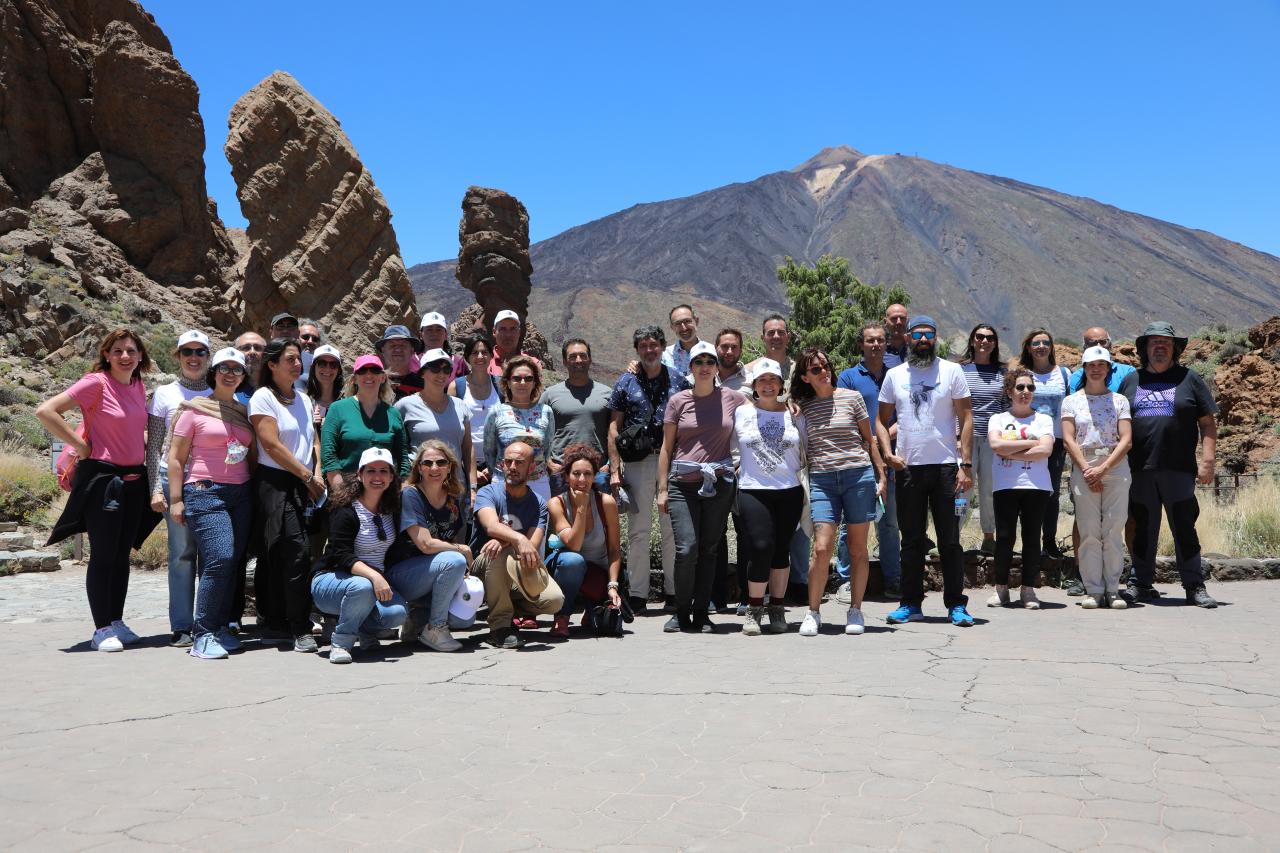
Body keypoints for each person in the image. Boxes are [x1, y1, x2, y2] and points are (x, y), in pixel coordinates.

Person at [40, 328, 161, 652]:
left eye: (131, 351)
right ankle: (101, 628)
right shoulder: (96, 383)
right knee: (104, 555)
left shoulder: (137, 385)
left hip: (134, 481)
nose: (125, 356)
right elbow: (47, 411)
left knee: (121, 556)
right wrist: (80, 445)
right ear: (106, 355)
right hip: (104, 481)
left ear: (140, 357)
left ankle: (117, 621)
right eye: (118, 350)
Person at [878, 315, 976, 627]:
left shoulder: (952, 371)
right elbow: (881, 421)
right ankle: (910, 603)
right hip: (908, 468)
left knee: (950, 540)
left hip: (946, 467)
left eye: (929, 334)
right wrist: (888, 454)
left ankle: (956, 605)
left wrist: (966, 464)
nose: (923, 339)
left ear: (936, 338)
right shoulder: (894, 375)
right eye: (917, 334)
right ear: (907, 338)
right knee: (912, 540)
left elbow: (967, 417)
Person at [1119, 322, 1219, 608]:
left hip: (1179, 470)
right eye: (1154, 342)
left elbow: (1208, 422)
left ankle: (1194, 586)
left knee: (1185, 527)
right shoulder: (1131, 381)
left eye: (1166, 342)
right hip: (1140, 469)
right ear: (1144, 348)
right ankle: (1140, 585)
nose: (1159, 347)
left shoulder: (1190, 379)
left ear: (1175, 348)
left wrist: (1208, 461)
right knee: (1142, 530)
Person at [166, 348, 256, 659]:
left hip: (241, 492)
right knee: (220, 556)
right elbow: (175, 458)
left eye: (237, 369)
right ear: (213, 373)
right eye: (224, 368)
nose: (230, 374)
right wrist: (175, 500)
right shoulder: (194, 409)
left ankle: (217, 628)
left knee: (229, 563)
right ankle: (202, 634)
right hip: (205, 490)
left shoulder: (243, 413)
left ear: (243, 376)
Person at [793, 347, 886, 636]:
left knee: (858, 549)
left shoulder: (852, 398)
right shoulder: (802, 405)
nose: (824, 371)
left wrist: (881, 475)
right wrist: (790, 405)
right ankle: (813, 612)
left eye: (825, 365)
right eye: (816, 369)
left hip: (858, 476)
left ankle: (855, 609)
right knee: (821, 549)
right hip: (822, 479)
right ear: (806, 377)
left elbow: (869, 440)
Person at [657, 341, 748, 634]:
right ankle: (680, 611)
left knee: (709, 549)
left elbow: (763, 410)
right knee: (688, 547)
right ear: (691, 368)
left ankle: (701, 613)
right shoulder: (678, 401)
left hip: (719, 483)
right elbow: (666, 448)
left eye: (710, 361)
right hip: (682, 484)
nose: (705, 366)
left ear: (717, 367)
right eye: (699, 362)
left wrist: (789, 405)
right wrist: (661, 489)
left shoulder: (733, 398)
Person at [249, 338, 324, 651]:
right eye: (290, 359)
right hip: (276, 483)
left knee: (286, 551)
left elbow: (313, 441)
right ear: (272, 364)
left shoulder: (305, 399)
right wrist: (306, 475)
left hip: (304, 482)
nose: (297, 364)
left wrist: (316, 473)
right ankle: (299, 627)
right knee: (292, 550)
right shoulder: (263, 398)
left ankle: (276, 619)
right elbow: (271, 445)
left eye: (298, 359)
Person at [608, 326, 687, 613]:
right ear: (637, 349)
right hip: (638, 462)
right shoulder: (625, 383)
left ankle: (674, 592)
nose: (649, 350)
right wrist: (615, 470)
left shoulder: (679, 381)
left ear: (662, 347)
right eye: (643, 346)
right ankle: (639, 594)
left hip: (673, 460)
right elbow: (613, 427)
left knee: (671, 529)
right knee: (639, 530)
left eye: (654, 345)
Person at [145, 329, 211, 648]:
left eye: (200, 352)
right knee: (182, 554)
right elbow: (154, 446)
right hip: (173, 480)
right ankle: (182, 624)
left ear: (208, 357)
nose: (194, 358)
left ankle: (208, 620)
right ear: (178, 356)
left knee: (211, 554)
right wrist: (154, 490)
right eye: (188, 352)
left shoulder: (218, 393)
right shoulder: (164, 394)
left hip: (210, 481)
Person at [311, 448, 408, 663]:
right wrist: (375, 577)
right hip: (331, 581)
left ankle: (364, 629)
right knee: (362, 587)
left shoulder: (393, 508)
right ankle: (341, 642)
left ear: (392, 477)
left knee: (397, 614)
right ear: (359, 475)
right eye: (370, 471)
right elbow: (341, 555)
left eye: (384, 471)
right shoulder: (345, 508)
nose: (377, 477)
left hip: (371, 583)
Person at [732, 359, 805, 636]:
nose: (767, 385)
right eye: (761, 380)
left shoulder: (794, 414)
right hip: (753, 489)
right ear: (754, 385)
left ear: (781, 385)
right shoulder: (741, 412)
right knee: (760, 546)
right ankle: (753, 608)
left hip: (789, 490)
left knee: (781, 549)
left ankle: (776, 608)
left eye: (773, 380)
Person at [1064, 326, 1139, 596]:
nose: (1096, 369)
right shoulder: (1071, 401)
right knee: (1089, 531)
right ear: (1083, 368)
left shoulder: (1119, 401)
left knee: (1113, 529)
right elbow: (1069, 439)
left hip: (1115, 467)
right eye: (1090, 365)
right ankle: (1094, 590)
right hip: (1084, 466)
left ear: (1109, 369)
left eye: (1101, 365)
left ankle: (1113, 590)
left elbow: (1126, 439)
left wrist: (1103, 468)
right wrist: (1087, 470)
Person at [472, 441, 563, 649]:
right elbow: (492, 526)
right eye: (508, 462)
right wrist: (518, 539)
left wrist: (508, 540)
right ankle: (499, 628)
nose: (512, 467)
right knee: (498, 553)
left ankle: (511, 607)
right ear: (502, 464)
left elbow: (532, 546)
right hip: (482, 567)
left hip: (517, 567)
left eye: (519, 463)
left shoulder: (538, 502)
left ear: (531, 468)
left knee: (554, 600)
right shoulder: (488, 493)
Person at [384, 440, 470, 651]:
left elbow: (451, 540)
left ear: (450, 467)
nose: (434, 468)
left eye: (441, 462)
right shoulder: (410, 495)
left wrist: (461, 569)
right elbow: (425, 544)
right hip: (402, 574)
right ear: (419, 468)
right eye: (427, 463)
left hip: (435, 570)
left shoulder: (452, 497)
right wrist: (462, 552)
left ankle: (417, 620)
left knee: (464, 619)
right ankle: (435, 628)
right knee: (455, 559)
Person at [836, 322, 901, 597]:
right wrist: (871, 441)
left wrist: (884, 439)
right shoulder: (848, 377)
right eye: (870, 341)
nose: (875, 345)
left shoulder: (897, 376)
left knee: (889, 523)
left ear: (886, 344)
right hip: (857, 459)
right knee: (849, 522)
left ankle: (893, 580)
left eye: (880, 340)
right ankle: (844, 580)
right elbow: (842, 413)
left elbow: (905, 415)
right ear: (861, 344)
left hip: (891, 457)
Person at [985, 368, 1055, 609]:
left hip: (1036, 486)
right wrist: (1033, 443)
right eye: (1020, 387)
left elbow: (1045, 450)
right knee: (1004, 537)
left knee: (1031, 537)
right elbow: (995, 445)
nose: (1026, 392)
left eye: (1030, 388)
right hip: (1005, 485)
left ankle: (1028, 590)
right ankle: (1001, 589)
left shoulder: (1043, 419)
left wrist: (1010, 449)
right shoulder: (999, 419)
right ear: (1009, 391)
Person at [545, 443, 624, 638]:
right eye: (576, 473)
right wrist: (580, 508)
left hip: (597, 572)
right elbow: (574, 545)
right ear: (566, 476)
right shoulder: (557, 503)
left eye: (588, 474)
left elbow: (614, 550)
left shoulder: (606, 502)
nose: (582, 479)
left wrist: (613, 585)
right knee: (574, 561)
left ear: (595, 476)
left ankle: (592, 609)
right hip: (565, 569)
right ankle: (562, 616)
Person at [1017, 329, 1071, 559]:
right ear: (1028, 347)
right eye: (1036, 343)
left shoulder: (1065, 374)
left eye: (1045, 342)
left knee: (1051, 493)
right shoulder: (1022, 374)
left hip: (1056, 441)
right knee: (1026, 492)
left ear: (1051, 347)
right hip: (1027, 441)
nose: (1041, 346)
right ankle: (1028, 542)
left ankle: (1048, 541)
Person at [321, 354, 406, 492]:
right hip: (346, 491)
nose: (368, 375)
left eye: (374, 370)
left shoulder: (393, 414)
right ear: (354, 379)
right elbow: (329, 457)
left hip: (384, 493)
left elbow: (403, 459)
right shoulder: (338, 409)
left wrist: (401, 491)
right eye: (362, 371)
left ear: (382, 377)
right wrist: (342, 494)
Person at [958, 324, 1007, 554]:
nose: (984, 341)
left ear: (995, 343)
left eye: (989, 338)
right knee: (961, 489)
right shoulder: (959, 370)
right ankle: (952, 536)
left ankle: (989, 536)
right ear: (972, 341)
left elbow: (1006, 406)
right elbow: (952, 405)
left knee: (989, 489)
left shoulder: (1003, 373)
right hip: (964, 439)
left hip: (992, 440)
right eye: (979, 337)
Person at [397, 347, 474, 491]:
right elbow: (397, 448)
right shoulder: (404, 405)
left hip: (456, 487)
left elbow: (468, 449)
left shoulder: (460, 405)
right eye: (435, 368)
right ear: (422, 372)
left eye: (446, 370)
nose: (441, 374)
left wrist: (473, 487)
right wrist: (403, 481)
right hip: (419, 487)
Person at [543, 338, 613, 496]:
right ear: (565, 362)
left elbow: (615, 432)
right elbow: (538, 431)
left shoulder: (607, 394)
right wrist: (548, 464)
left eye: (583, 355)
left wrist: (609, 465)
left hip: (597, 472)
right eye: (573, 356)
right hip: (561, 471)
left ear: (590, 360)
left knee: (599, 518)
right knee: (561, 518)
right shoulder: (550, 394)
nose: (578, 360)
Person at [483, 356, 556, 503]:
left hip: (538, 483)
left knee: (539, 525)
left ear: (535, 382)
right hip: (504, 481)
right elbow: (489, 451)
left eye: (528, 378)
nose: (522, 382)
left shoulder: (546, 411)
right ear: (508, 382)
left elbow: (547, 449)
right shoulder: (496, 412)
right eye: (517, 378)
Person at [305, 344, 343, 559]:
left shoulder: (346, 402)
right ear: (314, 367)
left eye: (333, 364)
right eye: (322, 363)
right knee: (311, 539)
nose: (327, 369)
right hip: (310, 477)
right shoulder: (302, 399)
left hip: (338, 476)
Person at [450, 332, 502, 486]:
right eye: (475, 353)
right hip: (465, 464)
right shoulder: (456, 387)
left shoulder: (501, 386)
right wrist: (468, 467)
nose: (480, 356)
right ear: (467, 357)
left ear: (491, 356)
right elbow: (453, 429)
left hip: (497, 464)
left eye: (484, 352)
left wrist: (496, 463)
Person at [409, 311, 468, 380]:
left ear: (446, 335)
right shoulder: (412, 361)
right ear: (421, 335)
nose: (434, 334)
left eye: (439, 330)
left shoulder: (458, 362)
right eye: (429, 330)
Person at [746, 314, 795, 396]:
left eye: (781, 332)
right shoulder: (749, 371)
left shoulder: (798, 371)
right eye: (771, 333)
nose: (776, 336)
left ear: (788, 337)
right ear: (763, 338)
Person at [375, 324, 425, 400]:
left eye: (403, 345)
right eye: (392, 345)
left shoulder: (424, 385)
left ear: (411, 351)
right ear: (383, 350)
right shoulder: (373, 383)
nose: (398, 349)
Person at [490, 309, 544, 373]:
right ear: (494, 332)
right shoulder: (482, 364)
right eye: (502, 329)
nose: (508, 335)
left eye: (513, 329)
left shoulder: (534, 365)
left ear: (519, 332)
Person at [662, 304, 705, 377]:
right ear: (672, 327)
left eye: (687, 321)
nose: (684, 328)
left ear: (696, 321)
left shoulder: (712, 353)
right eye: (677, 323)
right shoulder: (664, 356)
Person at [233, 332, 266, 403]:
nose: (252, 352)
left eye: (258, 348)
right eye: (246, 348)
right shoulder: (226, 388)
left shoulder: (279, 387)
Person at [883, 303, 910, 368]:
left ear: (908, 321)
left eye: (902, 318)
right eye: (894, 318)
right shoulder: (878, 352)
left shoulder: (917, 350)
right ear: (885, 322)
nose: (899, 322)